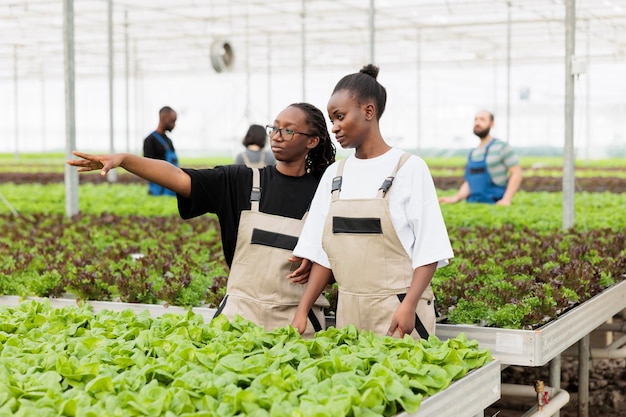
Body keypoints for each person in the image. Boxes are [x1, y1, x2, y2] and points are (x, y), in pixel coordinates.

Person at [68, 102, 336, 337]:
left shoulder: (325, 193)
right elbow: (179, 177)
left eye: (288, 130)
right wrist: (125, 160)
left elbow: (337, 257)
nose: (277, 136)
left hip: (299, 323)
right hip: (239, 319)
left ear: (311, 141)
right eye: (274, 128)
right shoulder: (242, 181)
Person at [291, 64, 453, 340]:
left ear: (368, 111)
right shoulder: (335, 175)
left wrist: (409, 305)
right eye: (332, 120)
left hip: (399, 311)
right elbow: (322, 254)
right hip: (349, 313)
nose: (334, 127)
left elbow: (430, 249)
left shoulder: (409, 168)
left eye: (340, 117)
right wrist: (302, 309)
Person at [438, 110, 522, 205]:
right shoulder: (473, 153)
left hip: (495, 202)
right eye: (476, 119)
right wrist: (455, 198)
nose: (477, 123)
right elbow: (470, 183)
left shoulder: (502, 147)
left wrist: (506, 199)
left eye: (482, 119)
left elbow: (516, 173)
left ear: (491, 124)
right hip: (474, 203)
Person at [143, 106, 179, 196]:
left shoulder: (169, 141)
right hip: (158, 190)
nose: (174, 125)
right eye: (172, 121)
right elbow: (146, 168)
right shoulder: (150, 140)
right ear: (164, 119)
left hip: (173, 188)